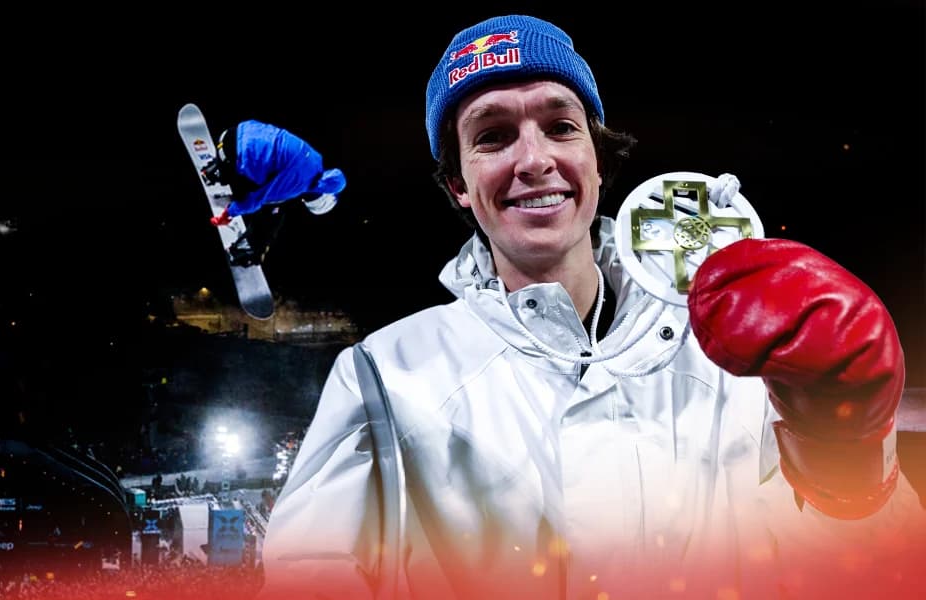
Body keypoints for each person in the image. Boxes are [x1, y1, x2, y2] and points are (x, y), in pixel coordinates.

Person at [256, 15, 924, 600]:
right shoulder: (383, 374)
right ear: (459, 184)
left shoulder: (733, 356)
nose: (534, 159)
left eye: (560, 126)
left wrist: (848, 448)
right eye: (492, 137)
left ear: (598, 159)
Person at [203, 119, 346, 265]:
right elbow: (258, 198)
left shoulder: (315, 160)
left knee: (267, 170)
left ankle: (217, 171)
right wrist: (229, 213)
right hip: (233, 156)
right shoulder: (299, 183)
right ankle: (246, 249)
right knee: (274, 212)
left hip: (231, 135)